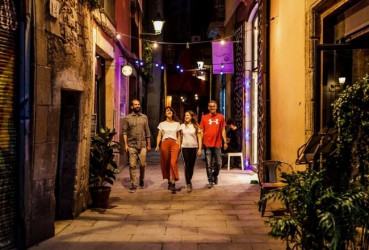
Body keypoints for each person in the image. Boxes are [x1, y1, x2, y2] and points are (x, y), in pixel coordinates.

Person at [122, 99, 151, 193]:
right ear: (132, 106)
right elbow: (124, 132)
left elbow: (147, 132)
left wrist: (149, 144)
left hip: (142, 145)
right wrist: (125, 144)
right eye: (135, 105)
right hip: (131, 145)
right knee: (132, 165)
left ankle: (141, 179)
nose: (138, 106)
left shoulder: (144, 117)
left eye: (138, 104)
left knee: (142, 164)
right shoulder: (127, 118)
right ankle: (134, 184)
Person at [199, 100, 228, 188]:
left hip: (217, 144)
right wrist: (200, 144)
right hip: (207, 144)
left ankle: (215, 175)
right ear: (208, 108)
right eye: (210, 106)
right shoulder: (204, 117)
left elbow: (223, 130)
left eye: (213, 106)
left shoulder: (221, 117)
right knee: (208, 163)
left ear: (216, 107)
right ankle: (210, 180)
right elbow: (201, 131)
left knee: (219, 163)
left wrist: (225, 141)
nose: (212, 108)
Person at [155, 107, 181, 194]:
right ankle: (169, 180)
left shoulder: (177, 124)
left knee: (173, 162)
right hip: (165, 143)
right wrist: (157, 145)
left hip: (174, 143)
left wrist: (179, 145)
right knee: (166, 163)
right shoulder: (162, 124)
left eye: (170, 111)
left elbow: (179, 136)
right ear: (165, 113)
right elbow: (159, 135)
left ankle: (173, 183)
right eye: (167, 111)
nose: (169, 112)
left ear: (173, 113)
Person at [180, 110, 202, 193]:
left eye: (188, 115)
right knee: (187, 165)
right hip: (184, 147)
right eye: (185, 115)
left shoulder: (196, 126)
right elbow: (180, 137)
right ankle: (188, 183)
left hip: (194, 147)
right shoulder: (182, 126)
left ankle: (189, 180)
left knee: (191, 166)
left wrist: (200, 148)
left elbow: (199, 138)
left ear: (191, 116)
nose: (186, 116)